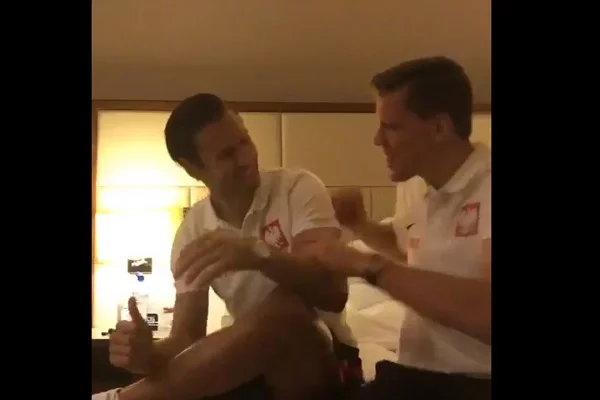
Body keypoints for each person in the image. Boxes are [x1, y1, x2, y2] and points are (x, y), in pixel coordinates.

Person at [92, 93, 361, 400]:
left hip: (325, 358)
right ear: (193, 168)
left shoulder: (297, 189)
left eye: (244, 142)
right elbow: (186, 338)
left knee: (287, 305)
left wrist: (258, 255)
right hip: (255, 372)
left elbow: (333, 293)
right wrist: (146, 354)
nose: (245, 159)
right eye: (227, 155)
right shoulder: (193, 231)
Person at [324, 56, 492, 399]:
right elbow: (410, 249)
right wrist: (360, 225)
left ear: (439, 128)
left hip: (473, 382)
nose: (377, 140)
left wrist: (368, 266)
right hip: (417, 374)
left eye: (391, 127)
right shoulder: (424, 190)